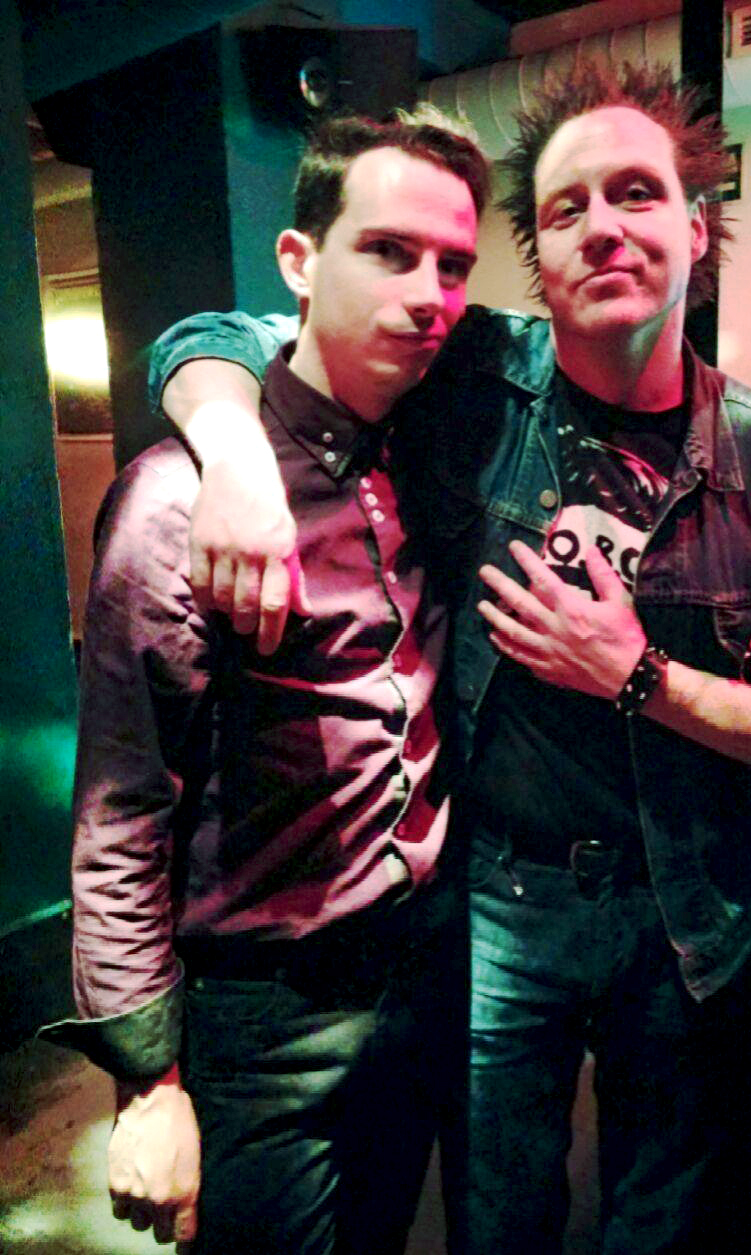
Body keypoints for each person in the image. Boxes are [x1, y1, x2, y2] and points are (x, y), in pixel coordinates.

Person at [147, 63, 751, 1254]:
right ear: (539, 257)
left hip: (689, 909)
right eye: (565, 207)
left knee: (661, 1222)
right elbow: (223, 334)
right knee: (498, 1222)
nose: (604, 225)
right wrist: (232, 451)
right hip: (499, 902)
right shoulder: (470, 378)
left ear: (696, 227)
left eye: (636, 192)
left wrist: (644, 678)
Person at [41, 108, 487, 1254]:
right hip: (267, 1011)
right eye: (387, 250)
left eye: (452, 264)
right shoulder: (179, 499)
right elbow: (123, 804)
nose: (428, 294)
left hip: (424, 967)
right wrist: (147, 1081)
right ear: (299, 261)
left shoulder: (435, 443)